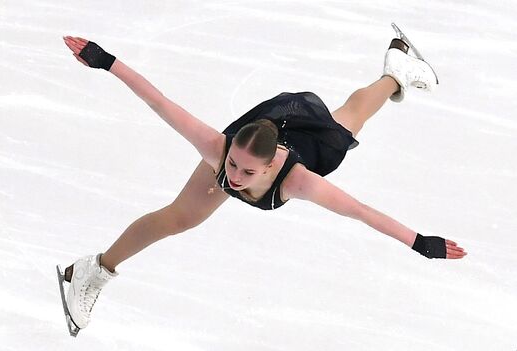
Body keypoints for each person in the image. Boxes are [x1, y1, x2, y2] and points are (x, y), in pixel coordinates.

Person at [59, 31, 467, 333]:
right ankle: (92, 271)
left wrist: (420, 242)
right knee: (180, 217)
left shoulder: (300, 181)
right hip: (262, 131)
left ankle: (395, 74)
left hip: (309, 141)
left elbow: (360, 212)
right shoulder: (219, 149)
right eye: (233, 165)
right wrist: (105, 60)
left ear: (270, 167)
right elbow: (159, 101)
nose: (234, 179)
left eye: (247, 173)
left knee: (351, 118)